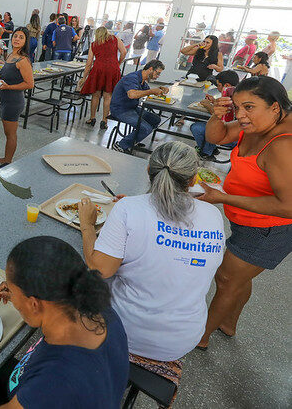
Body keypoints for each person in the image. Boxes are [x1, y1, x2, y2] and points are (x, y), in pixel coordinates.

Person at [79, 141, 223, 406]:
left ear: (148, 170)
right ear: (192, 179)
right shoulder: (213, 216)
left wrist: (87, 225)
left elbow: (98, 270)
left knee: (80, 286)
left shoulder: (129, 209)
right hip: (181, 340)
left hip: (125, 331)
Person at [0, 236, 129, 409]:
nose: (11, 296)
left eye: (14, 292)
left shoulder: (53, 385)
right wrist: (20, 298)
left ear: (35, 303)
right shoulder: (100, 311)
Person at [195, 76, 292, 350]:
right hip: (248, 221)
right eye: (237, 107)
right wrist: (217, 116)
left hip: (271, 228)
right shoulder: (257, 121)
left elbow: (288, 205)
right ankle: (229, 322)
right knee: (238, 277)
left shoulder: (283, 143)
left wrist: (225, 198)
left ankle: (200, 337)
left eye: (248, 107)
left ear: (275, 107)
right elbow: (218, 136)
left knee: (226, 278)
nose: (241, 115)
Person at [110, 60, 169, 154]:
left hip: (131, 108)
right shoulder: (132, 78)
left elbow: (148, 91)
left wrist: (160, 88)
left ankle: (133, 141)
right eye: (157, 73)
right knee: (145, 128)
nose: (157, 76)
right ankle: (121, 145)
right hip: (120, 109)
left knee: (155, 119)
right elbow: (132, 95)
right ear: (150, 69)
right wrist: (152, 91)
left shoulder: (142, 80)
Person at [0, 28, 34, 164]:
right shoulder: (10, 55)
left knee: (10, 134)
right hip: (5, 99)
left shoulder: (23, 60)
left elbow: (29, 84)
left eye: (21, 37)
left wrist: (8, 87)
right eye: (15, 36)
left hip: (13, 102)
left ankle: (7, 161)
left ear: (25, 41)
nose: (17, 39)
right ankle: (6, 158)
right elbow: (9, 75)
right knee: (7, 133)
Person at [80, 27, 126, 129]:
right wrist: (118, 62)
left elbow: (89, 63)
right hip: (112, 69)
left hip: (98, 69)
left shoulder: (94, 44)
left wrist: (84, 77)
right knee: (108, 96)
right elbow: (124, 52)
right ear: (107, 32)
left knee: (95, 95)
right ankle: (104, 121)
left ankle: (92, 118)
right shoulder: (115, 39)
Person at [190, 70, 239, 159]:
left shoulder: (235, 98)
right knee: (208, 124)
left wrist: (208, 106)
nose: (218, 88)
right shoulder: (235, 93)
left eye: (219, 85)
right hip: (233, 132)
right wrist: (214, 101)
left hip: (232, 136)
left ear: (227, 85)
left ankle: (206, 153)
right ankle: (211, 148)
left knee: (197, 127)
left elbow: (223, 118)